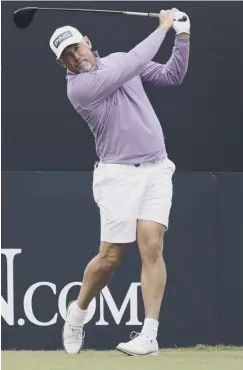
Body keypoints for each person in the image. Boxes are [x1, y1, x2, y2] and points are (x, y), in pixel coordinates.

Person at [49, 8, 190, 356]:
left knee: (152, 245)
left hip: (157, 168)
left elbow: (173, 74)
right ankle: (78, 311)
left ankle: (150, 336)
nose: (74, 57)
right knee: (111, 257)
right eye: (65, 56)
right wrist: (163, 27)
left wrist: (183, 36)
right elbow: (132, 63)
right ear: (61, 64)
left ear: (87, 41)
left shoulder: (119, 61)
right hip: (117, 176)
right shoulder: (79, 88)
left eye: (75, 48)